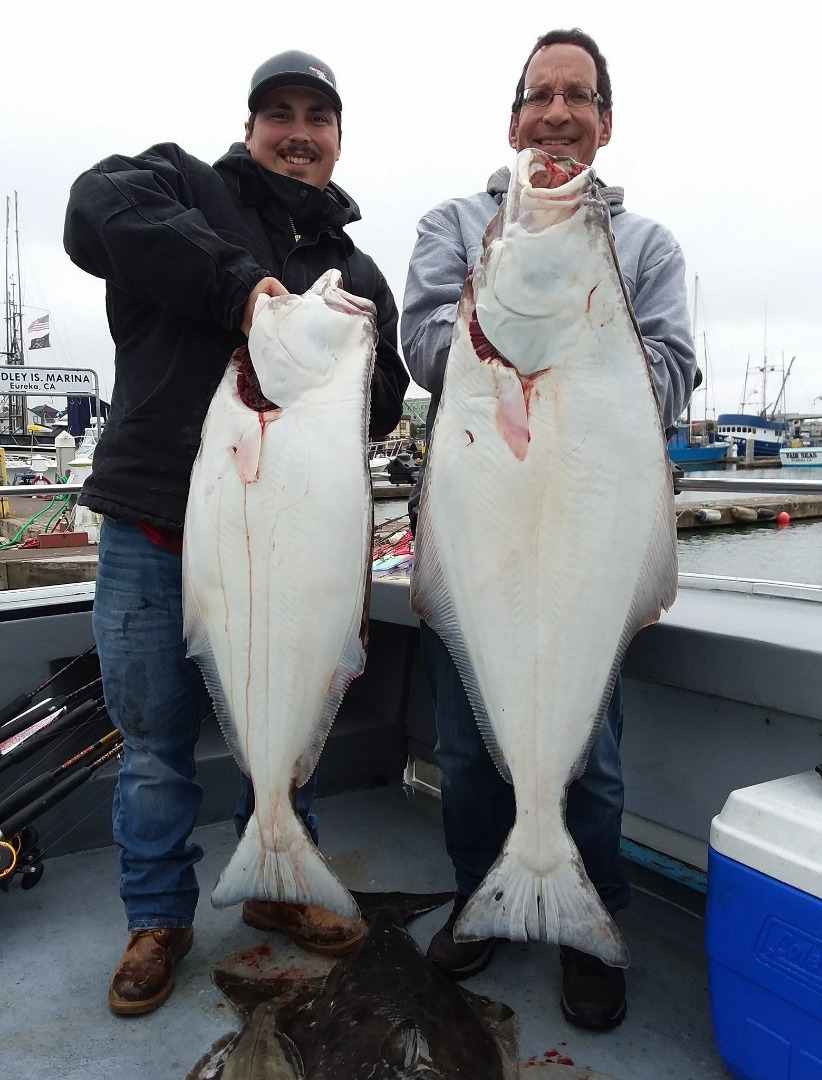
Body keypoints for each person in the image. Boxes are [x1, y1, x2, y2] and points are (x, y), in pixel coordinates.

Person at [64, 49, 408, 1016]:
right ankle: (160, 917)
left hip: (283, 541)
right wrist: (242, 294)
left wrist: (335, 362)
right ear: (251, 124)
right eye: (279, 113)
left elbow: (379, 406)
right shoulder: (177, 184)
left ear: (338, 140)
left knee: (286, 726)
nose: (298, 133)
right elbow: (93, 211)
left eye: (319, 118)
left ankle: (278, 879)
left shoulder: (358, 271)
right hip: (151, 529)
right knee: (153, 745)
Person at [401, 28, 696, 1031]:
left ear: (603, 123)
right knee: (465, 743)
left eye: (578, 96)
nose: (558, 112)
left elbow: (665, 380)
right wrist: (520, 311)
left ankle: (586, 923)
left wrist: (583, 308)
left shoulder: (645, 247)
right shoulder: (455, 223)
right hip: (480, 523)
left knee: (594, 757)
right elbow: (428, 344)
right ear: (514, 118)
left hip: (582, 530)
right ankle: (481, 896)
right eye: (540, 95)